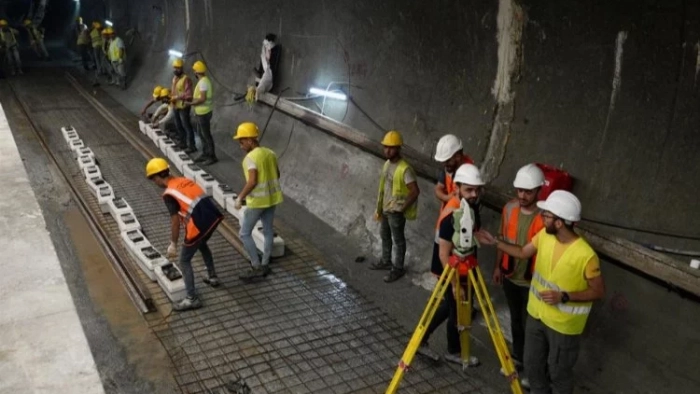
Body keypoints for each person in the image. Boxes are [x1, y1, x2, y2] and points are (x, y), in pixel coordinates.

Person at [476, 190, 605, 394]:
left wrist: (564, 296)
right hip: (536, 317)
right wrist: (495, 242)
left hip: (563, 327)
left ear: (560, 222)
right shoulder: (544, 235)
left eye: (547, 215)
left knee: (558, 373)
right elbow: (522, 252)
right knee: (533, 366)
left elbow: (598, 291)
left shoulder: (586, 256)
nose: (542, 217)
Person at [418, 163, 483, 367]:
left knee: (449, 306)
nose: (474, 194)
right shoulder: (451, 216)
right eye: (469, 189)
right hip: (449, 269)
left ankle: (422, 337)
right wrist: (454, 284)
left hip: (461, 268)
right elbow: (444, 254)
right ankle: (453, 351)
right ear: (457, 188)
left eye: (477, 189)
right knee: (456, 309)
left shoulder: (468, 207)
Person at [492, 163, 546, 388]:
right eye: (520, 191)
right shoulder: (509, 209)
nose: (523, 196)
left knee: (532, 327)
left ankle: (532, 365)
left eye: (528, 191)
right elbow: (502, 240)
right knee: (516, 319)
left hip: (532, 281)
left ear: (538, 191)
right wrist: (497, 267)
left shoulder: (545, 218)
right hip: (510, 275)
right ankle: (518, 356)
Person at [146, 158, 223, 311]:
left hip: (199, 224)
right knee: (202, 244)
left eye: (153, 179)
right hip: (213, 216)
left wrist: (173, 244)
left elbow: (175, 221)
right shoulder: (184, 180)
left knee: (184, 260)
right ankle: (212, 276)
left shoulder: (169, 194)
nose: (154, 182)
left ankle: (191, 298)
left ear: (157, 177)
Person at [232, 122, 283, 281]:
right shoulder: (271, 153)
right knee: (268, 231)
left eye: (242, 141)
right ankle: (265, 263)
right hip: (272, 199)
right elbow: (277, 174)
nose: (240, 146)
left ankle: (256, 266)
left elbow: (252, 181)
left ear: (250, 140)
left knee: (244, 233)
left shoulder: (250, 158)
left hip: (257, 203)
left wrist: (240, 197)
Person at [369, 130, 420, 283]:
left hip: (396, 211)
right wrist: (380, 208)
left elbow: (415, 191)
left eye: (391, 147)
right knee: (385, 235)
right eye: (385, 147)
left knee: (398, 241)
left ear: (398, 148)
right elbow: (384, 187)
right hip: (385, 208)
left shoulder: (405, 169)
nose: (387, 150)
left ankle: (398, 268)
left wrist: (402, 208)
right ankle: (386, 261)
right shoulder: (387, 165)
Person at [188, 60, 217, 165]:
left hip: (204, 112)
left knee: (206, 134)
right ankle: (205, 153)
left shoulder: (203, 82)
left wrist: (190, 103)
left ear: (196, 72)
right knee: (201, 133)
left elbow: (202, 98)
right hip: (201, 112)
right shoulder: (203, 81)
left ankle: (212, 156)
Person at [170, 58, 196, 153]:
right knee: (178, 125)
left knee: (186, 126)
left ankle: (191, 146)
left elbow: (189, 95)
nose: (176, 70)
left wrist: (177, 97)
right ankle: (183, 142)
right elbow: (173, 91)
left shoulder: (186, 79)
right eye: (174, 68)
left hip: (184, 107)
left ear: (182, 68)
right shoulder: (174, 79)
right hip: (176, 106)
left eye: (178, 68)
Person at [254, 33, 281, 100]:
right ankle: (258, 91)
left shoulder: (271, 48)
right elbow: (266, 57)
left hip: (268, 70)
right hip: (266, 69)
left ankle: (258, 91)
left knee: (265, 79)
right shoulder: (266, 47)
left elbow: (268, 58)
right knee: (264, 79)